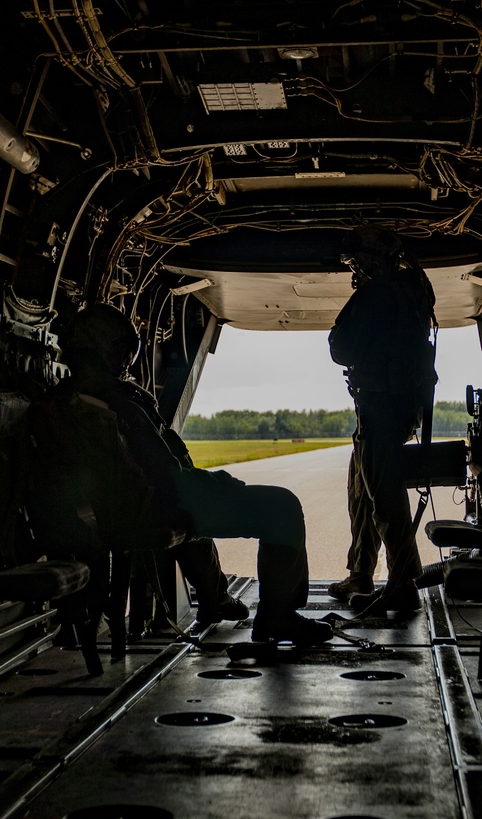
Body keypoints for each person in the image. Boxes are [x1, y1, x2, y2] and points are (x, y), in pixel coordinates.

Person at [31, 305, 331, 646]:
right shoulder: (114, 400)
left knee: (202, 511)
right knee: (282, 506)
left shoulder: (66, 400)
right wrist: (217, 484)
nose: (126, 362)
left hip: (124, 507)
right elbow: (164, 472)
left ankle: (216, 598)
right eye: (121, 352)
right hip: (153, 504)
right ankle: (279, 616)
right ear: (106, 350)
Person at [327, 227, 436, 615]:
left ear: (374, 259)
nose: (355, 270)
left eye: (358, 262)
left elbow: (341, 348)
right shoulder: (415, 292)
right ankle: (360, 572)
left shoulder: (378, 294)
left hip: (382, 408)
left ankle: (404, 581)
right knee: (363, 489)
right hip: (394, 408)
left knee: (383, 495)